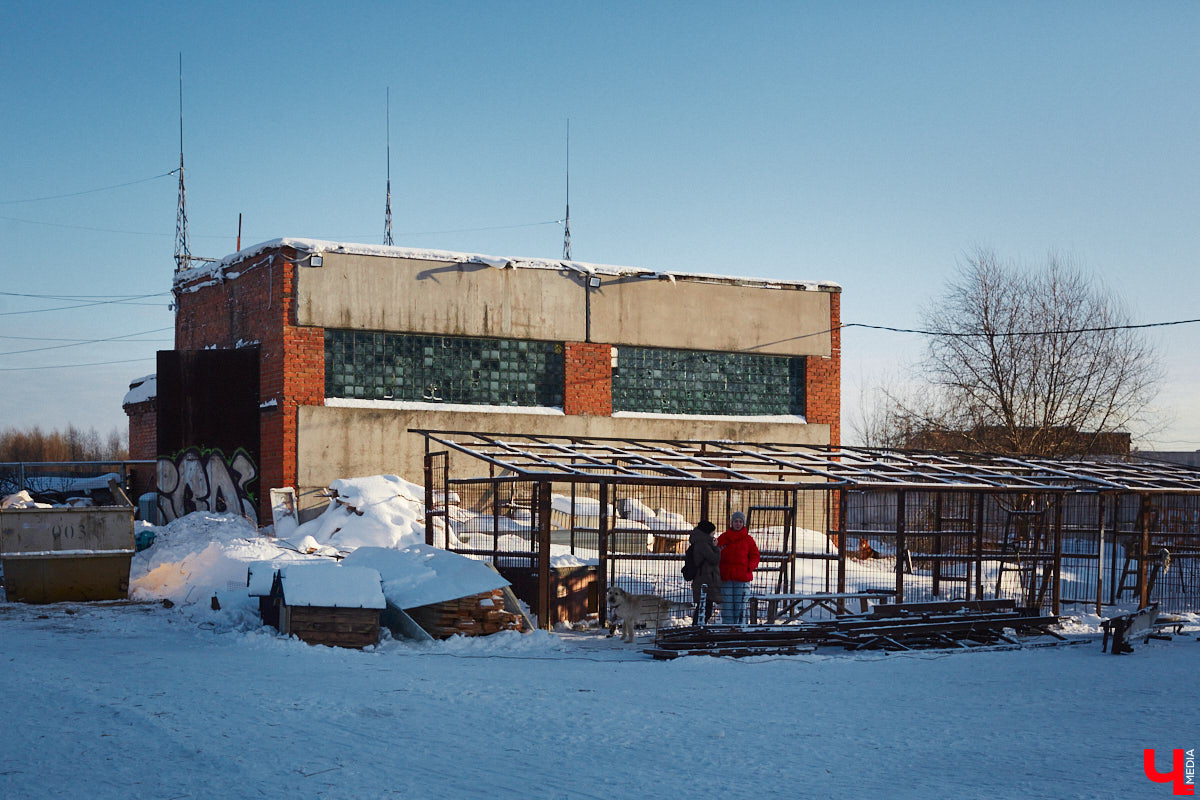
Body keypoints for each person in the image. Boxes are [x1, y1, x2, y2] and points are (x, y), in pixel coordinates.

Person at [718, 510, 759, 626]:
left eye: (740, 521)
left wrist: (749, 567)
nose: (738, 524)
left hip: (742, 578)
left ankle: (741, 629)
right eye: (735, 521)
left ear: (743, 523)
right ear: (732, 523)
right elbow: (715, 552)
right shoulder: (724, 537)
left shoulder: (748, 540)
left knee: (740, 605)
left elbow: (755, 556)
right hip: (726, 577)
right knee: (727, 606)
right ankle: (727, 629)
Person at [688, 520, 723, 625]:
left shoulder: (699, 541)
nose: (714, 535)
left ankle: (697, 629)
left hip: (702, 578)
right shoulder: (704, 544)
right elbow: (714, 559)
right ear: (708, 532)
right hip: (705, 580)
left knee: (703, 607)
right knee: (704, 609)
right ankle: (696, 630)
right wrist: (716, 548)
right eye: (713, 533)